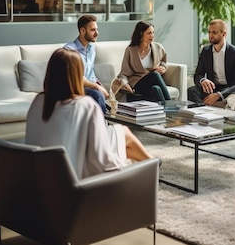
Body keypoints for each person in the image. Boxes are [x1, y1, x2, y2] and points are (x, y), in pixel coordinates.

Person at [25, 48, 155, 179]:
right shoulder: (84, 105)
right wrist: (124, 168)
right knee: (123, 133)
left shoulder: (38, 101)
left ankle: (150, 165)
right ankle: (152, 165)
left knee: (120, 135)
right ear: (77, 76)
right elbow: (101, 162)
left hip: (42, 177)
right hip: (74, 178)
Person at [187, 19, 235, 107]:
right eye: (209, 32)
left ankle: (204, 111)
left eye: (214, 32)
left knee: (229, 102)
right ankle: (202, 113)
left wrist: (219, 94)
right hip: (212, 88)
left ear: (224, 34)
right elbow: (197, 75)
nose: (210, 35)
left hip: (228, 89)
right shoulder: (205, 51)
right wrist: (203, 80)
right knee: (192, 91)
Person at [112, 21, 171, 102]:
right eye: (149, 33)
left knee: (156, 89)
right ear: (141, 34)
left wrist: (163, 67)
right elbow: (123, 73)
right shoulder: (130, 50)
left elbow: (163, 62)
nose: (152, 36)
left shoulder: (158, 47)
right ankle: (171, 104)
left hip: (151, 84)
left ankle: (167, 112)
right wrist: (125, 84)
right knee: (154, 75)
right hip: (137, 85)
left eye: (153, 32)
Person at [64, 14, 109, 114]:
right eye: (93, 30)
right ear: (82, 31)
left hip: (87, 87)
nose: (97, 33)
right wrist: (97, 87)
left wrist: (97, 83)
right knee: (97, 94)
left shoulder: (92, 48)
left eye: (97, 29)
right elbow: (76, 77)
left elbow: (90, 73)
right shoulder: (69, 50)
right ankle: (100, 127)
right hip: (74, 88)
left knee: (105, 96)